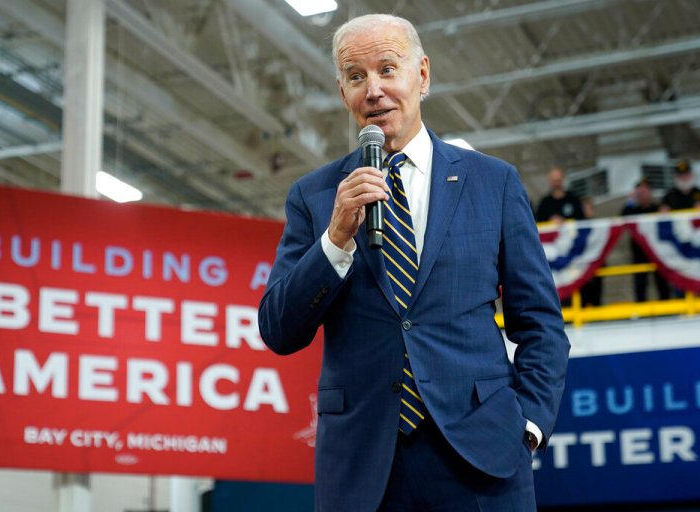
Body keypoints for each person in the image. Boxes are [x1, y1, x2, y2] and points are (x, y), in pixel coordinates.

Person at [259, 14, 569, 512]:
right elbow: (279, 329)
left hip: (483, 457)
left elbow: (541, 325)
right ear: (342, 92)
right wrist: (335, 239)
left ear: (422, 75)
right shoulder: (314, 197)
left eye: (387, 69)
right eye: (356, 76)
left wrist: (527, 425)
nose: (373, 90)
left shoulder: (494, 182)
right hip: (362, 468)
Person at [621, 179, 671, 302]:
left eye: (645, 191)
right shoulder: (633, 210)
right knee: (640, 284)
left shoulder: (657, 209)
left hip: (658, 251)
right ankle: (641, 307)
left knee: (662, 283)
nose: (643, 195)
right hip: (639, 252)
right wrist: (630, 200)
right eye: (640, 192)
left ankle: (666, 307)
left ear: (650, 192)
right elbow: (622, 218)